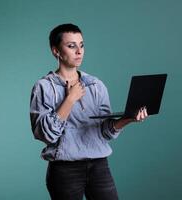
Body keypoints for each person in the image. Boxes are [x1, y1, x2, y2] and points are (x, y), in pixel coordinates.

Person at [30, 23, 148, 200]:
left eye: (82, 45)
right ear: (56, 51)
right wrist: (70, 99)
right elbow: (46, 135)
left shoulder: (96, 85)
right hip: (65, 170)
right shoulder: (44, 87)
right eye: (71, 46)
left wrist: (129, 118)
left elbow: (105, 132)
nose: (79, 51)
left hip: (99, 166)